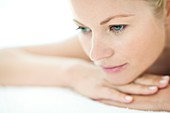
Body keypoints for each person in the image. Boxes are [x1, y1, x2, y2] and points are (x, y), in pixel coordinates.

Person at [0, 0, 170, 111]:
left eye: (117, 27)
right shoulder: (97, 44)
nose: (95, 54)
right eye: (83, 28)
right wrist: (77, 73)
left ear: (167, 10)